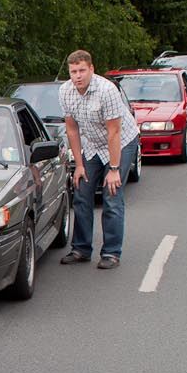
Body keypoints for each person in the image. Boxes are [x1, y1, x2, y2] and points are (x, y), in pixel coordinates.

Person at [57, 49, 141, 270]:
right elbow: (72, 129)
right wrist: (79, 165)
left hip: (121, 142)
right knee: (82, 193)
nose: (78, 76)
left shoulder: (107, 90)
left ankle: (111, 252)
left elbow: (114, 132)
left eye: (82, 70)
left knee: (111, 195)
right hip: (92, 144)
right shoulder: (65, 91)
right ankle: (81, 249)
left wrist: (113, 169)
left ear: (91, 69)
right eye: (73, 71)